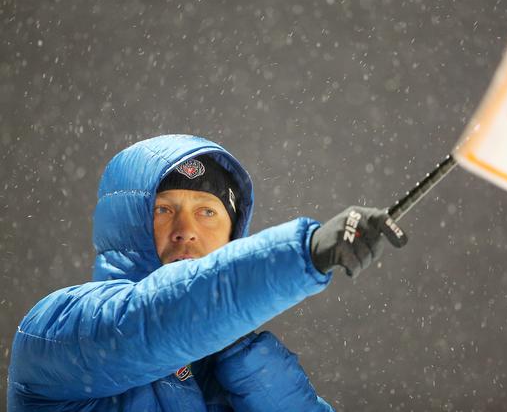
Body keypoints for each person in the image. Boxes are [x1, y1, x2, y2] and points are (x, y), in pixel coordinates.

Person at [7, 134, 407, 411]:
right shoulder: (60, 330)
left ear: (234, 234)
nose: (186, 230)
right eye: (163, 209)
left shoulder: (254, 367)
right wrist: (306, 252)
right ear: (125, 224)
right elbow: (155, 317)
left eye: (207, 212)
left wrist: (253, 374)